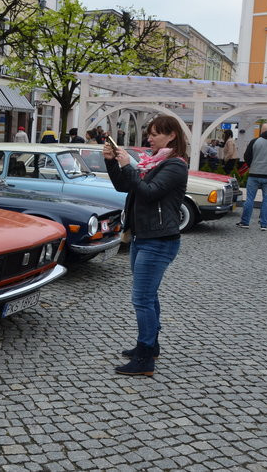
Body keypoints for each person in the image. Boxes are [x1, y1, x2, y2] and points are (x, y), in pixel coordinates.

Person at [103, 113, 188, 377]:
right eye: (149, 134)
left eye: (155, 134)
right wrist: (112, 162)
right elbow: (124, 186)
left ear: (171, 135)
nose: (149, 139)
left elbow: (149, 193)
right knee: (148, 297)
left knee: (141, 299)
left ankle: (144, 358)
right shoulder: (152, 163)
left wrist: (130, 165)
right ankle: (151, 346)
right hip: (142, 237)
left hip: (159, 240)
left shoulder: (175, 165)